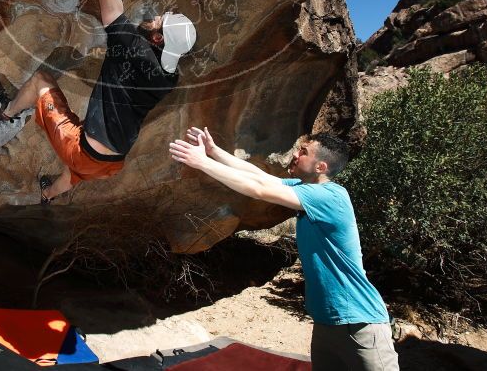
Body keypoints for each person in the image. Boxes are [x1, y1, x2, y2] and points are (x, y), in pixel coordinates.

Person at [0, 0, 196, 203]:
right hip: (112, 163)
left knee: (41, 81)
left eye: (159, 22)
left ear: (157, 40)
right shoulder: (168, 77)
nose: (154, 17)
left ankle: (6, 112)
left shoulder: (131, 45)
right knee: (77, 171)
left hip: (86, 150)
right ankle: (47, 194)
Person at [169, 128, 399, 371]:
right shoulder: (305, 188)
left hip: (361, 324)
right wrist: (214, 152)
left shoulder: (330, 196)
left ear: (320, 167)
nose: (296, 154)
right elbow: (258, 177)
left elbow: (258, 190)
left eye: (304, 152)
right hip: (326, 323)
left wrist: (202, 162)